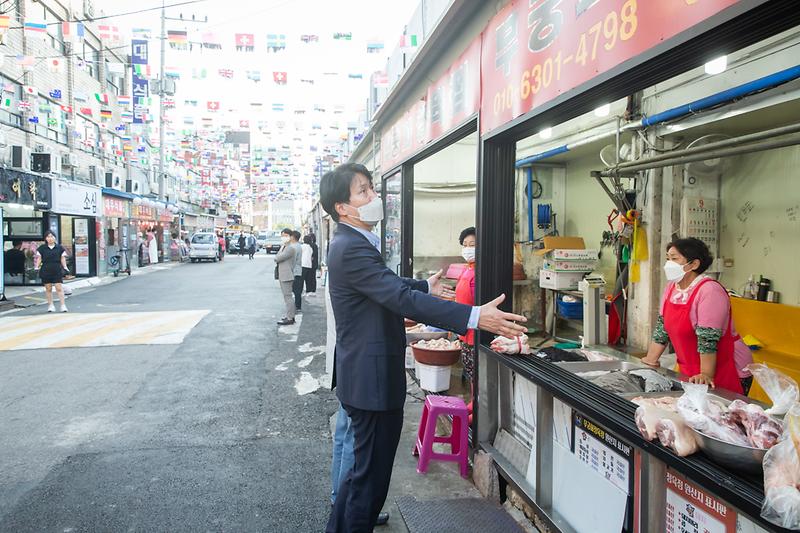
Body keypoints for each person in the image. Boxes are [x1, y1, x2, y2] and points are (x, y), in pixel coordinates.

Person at [321, 164, 526, 533]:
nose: (374, 198)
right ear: (342, 207)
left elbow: (385, 284)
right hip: (371, 382)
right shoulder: (351, 247)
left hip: (365, 378)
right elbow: (396, 296)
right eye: (363, 192)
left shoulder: (353, 243)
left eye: (371, 189)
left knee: (362, 477)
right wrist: (474, 316)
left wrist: (423, 286)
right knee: (368, 482)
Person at [641, 237, 752, 395]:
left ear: (694, 264)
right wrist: (650, 360)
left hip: (726, 369)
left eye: (674, 259)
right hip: (691, 367)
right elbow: (662, 328)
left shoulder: (710, 291)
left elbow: (708, 339)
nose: (668, 264)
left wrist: (706, 374)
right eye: (667, 258)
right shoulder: (672, 287)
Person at [455, 226, 477, 417]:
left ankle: (478, 407)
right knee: (471, 371)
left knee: (478, 372)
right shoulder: (467, 270)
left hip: (476, 332)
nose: (468, 248)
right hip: (464, 331)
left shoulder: (481, 273)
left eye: (472, 245)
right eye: (465, 245)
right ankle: (473, 402)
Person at [34, 231, 69, 313]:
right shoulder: (42, 248)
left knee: (59, 287)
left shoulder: (60, 248)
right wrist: (36, 266)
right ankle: (50, 305)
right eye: (48, 237)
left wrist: (65, 267)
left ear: (55, 238)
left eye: (52, 236)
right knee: (48, 288)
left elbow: (62, 258)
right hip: (46, 269)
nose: (50, 238)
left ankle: (63, 305)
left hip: (56, 269)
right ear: (45, 238)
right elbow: (39, 258)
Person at [275, 228, 298, 325]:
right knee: (286, 297)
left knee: (288, 297)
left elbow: (278, 258)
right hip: (282, 275)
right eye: (282, 235)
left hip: (287, 275)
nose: (283, 237)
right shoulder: (284, 246)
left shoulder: (290, 248)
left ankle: (290, 318)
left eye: (285, 235)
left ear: (290, 236)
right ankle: (289, 315)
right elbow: (277, 256)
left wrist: (277, 257)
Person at [291, 230, 303, 313]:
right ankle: (297, 306)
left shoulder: (294, 247)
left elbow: (293, 260)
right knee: (297, 290)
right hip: (297, 270)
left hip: (295, 270)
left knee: (296, 290)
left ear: (293, 237)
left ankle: (297, 306)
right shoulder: (298, 246)